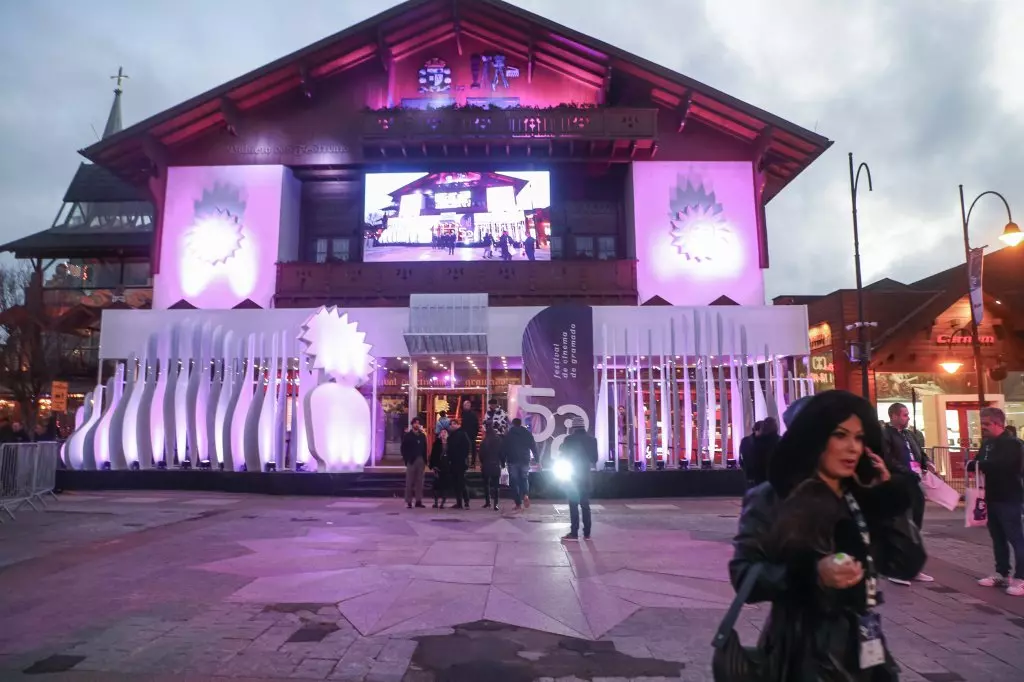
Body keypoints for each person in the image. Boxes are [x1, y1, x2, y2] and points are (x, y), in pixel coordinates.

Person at [729, 390, 924, 680]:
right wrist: (812, 574)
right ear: (814, 439)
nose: (852, 448)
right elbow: (744, 575)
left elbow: (905, 564)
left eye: (859, 438)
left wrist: (887, 498)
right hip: (800, 653)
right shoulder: (772, 497)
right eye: (840, 435)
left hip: (866, 649)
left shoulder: (860, 494)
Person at [970, 406, 1024, 596]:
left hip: (1009, 496)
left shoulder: (1013, 444)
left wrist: (977, 464)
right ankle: (1002, 572)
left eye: (986, 424)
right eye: (981, 423)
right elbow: (979, 461)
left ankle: (1021, 577)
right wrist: (974, 464)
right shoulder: (987, 444)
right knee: (998, 537)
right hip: (991, 496)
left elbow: (1003, 465)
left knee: (1015, 537)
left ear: (997, 423)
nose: (982, 427)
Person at [881, 402, 934, 585]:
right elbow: (887, 458)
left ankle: (913, 567)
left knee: (915, 523)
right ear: (893, 416)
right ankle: (896, 568)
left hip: (915, 482)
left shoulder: (909, 434)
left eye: (907, 414)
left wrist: (926, 463)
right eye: (904, 414)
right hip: (900, 483)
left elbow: (919, 452)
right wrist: (905, 471)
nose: (907, 417)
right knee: (901, 525)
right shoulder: (886, 434)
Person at [559, 418, 598, 541]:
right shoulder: (592, 440)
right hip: (585, 475)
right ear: (583, 426)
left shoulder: (568, 440)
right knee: (585, 505)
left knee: (573, 504)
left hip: (572, 476)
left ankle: (574, 533)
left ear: (573, 427)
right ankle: (587, 533)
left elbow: (563, 456)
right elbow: (594, 459)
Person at [504, 417, 538, 512]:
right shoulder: (527, 433)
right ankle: (526, 495)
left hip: (512, 460)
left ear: (513, 424)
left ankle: (518, 504)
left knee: (514, 482)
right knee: (524, 479)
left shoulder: (509, 434)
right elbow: (533, 447)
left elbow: (504, 448)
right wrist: (537, 460)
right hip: (524, 460)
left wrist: (502, 461)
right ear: (520, 424)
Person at [401, 418, 428, 509]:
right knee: (409, 481)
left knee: (420, 481)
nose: (417, 425)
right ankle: (408, 501)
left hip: (421, 460)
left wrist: (425, 460)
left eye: (418, 423)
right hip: (411, 460)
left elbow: (425, 448)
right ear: (412, 424)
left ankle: (418, 501)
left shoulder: (422, 436)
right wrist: (407, 459)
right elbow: (403, 448)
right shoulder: (408, 436)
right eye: (415, 423)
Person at [746, 417, 780, 488]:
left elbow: (752, 460)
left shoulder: (756, 442)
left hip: (761, 476)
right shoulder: (780, 441)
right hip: (777, 474)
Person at [446, 420, 472, 509]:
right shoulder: (452, 435)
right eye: (451, 424)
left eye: (454, 424)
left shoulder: (462, 434)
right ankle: (459, 502)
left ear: (458, 425)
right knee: (456, 483)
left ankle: (466, 501)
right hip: (453, 462)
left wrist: (463, 458)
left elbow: (467, 446)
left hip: (460, 462)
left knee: (461, 482)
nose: (452, 426)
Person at [478, 425, 504, 510]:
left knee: (486, 484)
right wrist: (502, 463)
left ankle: (487, 502)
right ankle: (496, 504)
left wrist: (483, 462)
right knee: (496, 486)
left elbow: (481, 454)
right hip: (496, 465)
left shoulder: (484, 442)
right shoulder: (499, 441)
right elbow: (502, 453)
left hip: (486, 465)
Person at [430, 429, 451, 509]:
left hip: (446, 467)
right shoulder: (437, 443)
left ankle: (442, 502)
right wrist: (433, 465)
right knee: (436, 485)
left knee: (445, 485)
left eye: (445, 432)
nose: (443, 434)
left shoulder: (450, 443)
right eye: (442, 432)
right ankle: (435, 502)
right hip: (438, 466)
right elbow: (433, 455)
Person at [461, 400, 480, 469]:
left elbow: (476, 425)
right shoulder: (463, 414)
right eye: (465, 405)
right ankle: (466, 463)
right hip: (465, 434)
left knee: (473, 449)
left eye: (467, 405)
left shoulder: (473, 414)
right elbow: (463, 425)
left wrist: (475, 434)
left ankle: (472, 463)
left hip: (472, 435)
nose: (466, 406)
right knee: (465, 449)